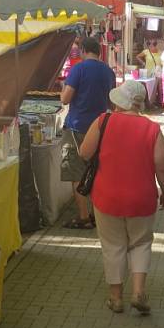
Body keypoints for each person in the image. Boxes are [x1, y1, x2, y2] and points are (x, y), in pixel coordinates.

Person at [79, 80, 164, 314]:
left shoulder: (103, 121)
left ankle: (116, 297)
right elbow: (161, 165)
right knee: (140, 243)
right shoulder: (153, 129)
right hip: (142, 197)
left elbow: (84, 153)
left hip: (106, 195)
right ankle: (138, 292)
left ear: (120, 100)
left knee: (113, 246)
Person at [60, 36, 116, 230]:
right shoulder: (108, 72)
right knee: (96, 170)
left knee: (77, 172)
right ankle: (96, 213)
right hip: (100, 127)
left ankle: (83, 216)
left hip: (77, 127)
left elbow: (66, 99)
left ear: (83, 50)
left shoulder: (79, 69)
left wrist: (62, 91)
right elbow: (112, 102)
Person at [136, 40, 162, 106]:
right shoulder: (146, 52)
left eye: (152, 46)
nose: (151, 47)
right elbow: (138, 56)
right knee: (149, 88)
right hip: (148, 73)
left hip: (157, 73)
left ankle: (157, 103)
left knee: (157, 89)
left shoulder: (160, 52)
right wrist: (143, 63)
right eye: (149, 46)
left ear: (156, 45)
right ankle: (149, 103)